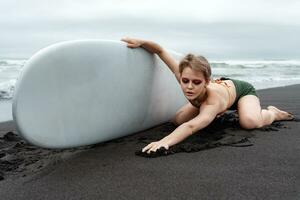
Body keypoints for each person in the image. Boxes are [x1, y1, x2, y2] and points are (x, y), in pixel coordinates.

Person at [121, 37, 294, 155]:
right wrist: (141, 42)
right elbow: (159, 50)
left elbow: (191, 127)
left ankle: (273, 113)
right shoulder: (182, 76)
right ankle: (218, 114)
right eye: (185, 80)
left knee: (249, 122)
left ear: (206, 81)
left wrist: (164, 142)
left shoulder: (211, 101)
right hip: (219, 94)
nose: (189, 87)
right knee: (178, 119)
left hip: (241, 91)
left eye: (196, 82)